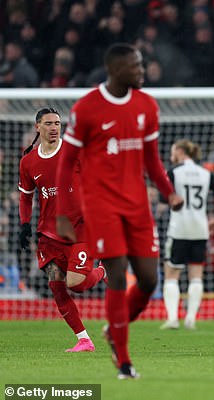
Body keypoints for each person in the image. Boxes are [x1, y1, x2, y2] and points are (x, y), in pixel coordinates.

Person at [56, 43, 184, 379]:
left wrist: (169, 193)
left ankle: (115, 328)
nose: (142, 71)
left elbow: (152, 160)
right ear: (115, 69)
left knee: (148, 278)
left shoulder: (147, 105)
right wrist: (61, 215)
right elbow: (66, 161)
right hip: (102, 207)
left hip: (138, 206)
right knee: (116, 274)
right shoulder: (86, 109)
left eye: (141, 65)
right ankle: (124, 362)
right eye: (135, 66)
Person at [18, 107, 106, 352]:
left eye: (57, 123)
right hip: (49, 232)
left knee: (75, 284)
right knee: (56, 286)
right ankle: (84, 339)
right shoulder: (28, 162)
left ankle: (102, 271)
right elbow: (25, 197)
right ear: (38, 127)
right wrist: (24, 224)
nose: (54, 127)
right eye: (48, 123)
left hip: (80, 228)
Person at [161, 139, 214, 330]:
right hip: (200, 229)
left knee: (171, 273)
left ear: (180, 152)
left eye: (172, 151)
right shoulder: (205, 173)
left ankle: (172, 318)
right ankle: (191, 319)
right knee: (196, 275)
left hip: (179, 228)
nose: (171, 156)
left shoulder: (174, 172)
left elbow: (163, 197)